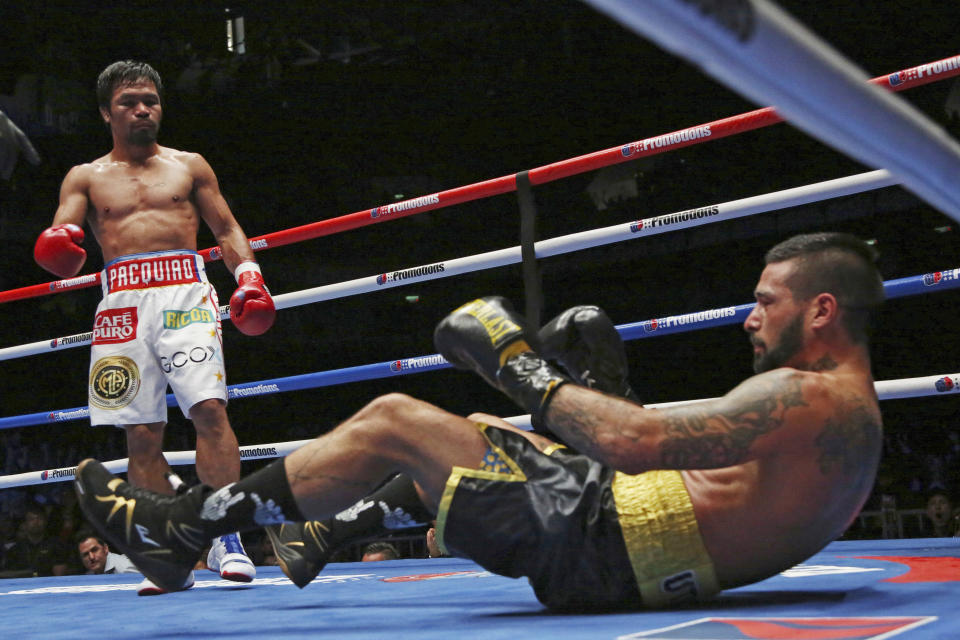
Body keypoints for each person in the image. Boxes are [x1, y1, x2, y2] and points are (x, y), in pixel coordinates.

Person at [74, 232, 884, 611]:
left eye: (765, 301)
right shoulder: (841, 411)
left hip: (606, 546)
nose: (750, 318)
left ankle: (177, 529)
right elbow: (683, 477)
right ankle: (293, 533)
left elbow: (638, 446)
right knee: (486, 433)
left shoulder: (808, 397)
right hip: (627, 539)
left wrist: (515, 360)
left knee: (397, 417)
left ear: (819, 309)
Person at [35, 60, 276, 595]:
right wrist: (58, 242)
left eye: (150, 100)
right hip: (121, 303)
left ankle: (225, 537)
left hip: (184, 295)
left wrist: (250, 278)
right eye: (129, 102)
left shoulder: (189, 166)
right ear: (106, 111)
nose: (142, 109)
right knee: (141, 433)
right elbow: (63, 230)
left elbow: (228, 227)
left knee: (209, 410)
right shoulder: (86, 176)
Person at [3, 505, 70, 577]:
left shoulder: (57, 545)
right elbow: (8, 574)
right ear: (25, 524)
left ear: (45, 522)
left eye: (40, 518)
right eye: (31, 519)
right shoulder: (16, 550)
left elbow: (60, 575)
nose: (36, 522)